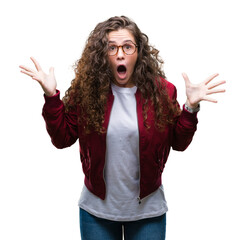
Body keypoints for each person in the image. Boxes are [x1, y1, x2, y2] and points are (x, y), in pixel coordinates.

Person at [19, 16, 226, 240]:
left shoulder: (162, 92)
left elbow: (179, 143)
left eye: (127, 47)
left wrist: (191, 108)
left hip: (148, 212)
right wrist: (51, 97)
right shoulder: (87, 92)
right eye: (112, 48)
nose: (120, 54)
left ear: (139, 52)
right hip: (96, 212)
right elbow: (62, 139)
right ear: (102, 54)